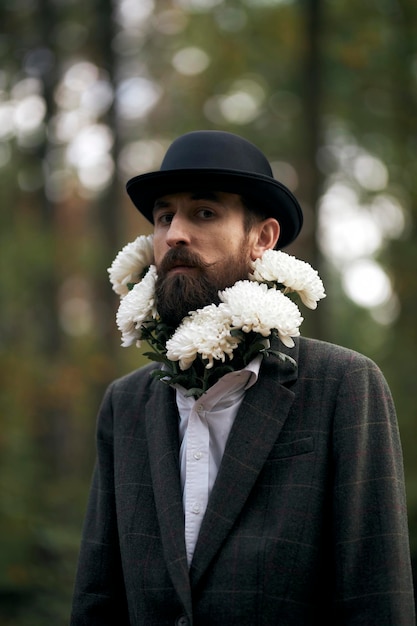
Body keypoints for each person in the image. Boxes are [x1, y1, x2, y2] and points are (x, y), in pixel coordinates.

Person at [70, 130, 415, 625]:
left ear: (263, 238)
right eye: (164, 216)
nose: (175, 235)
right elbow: (97, 600)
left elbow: (377, 597)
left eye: (204, 213)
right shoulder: (125, 404)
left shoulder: (344, 386)